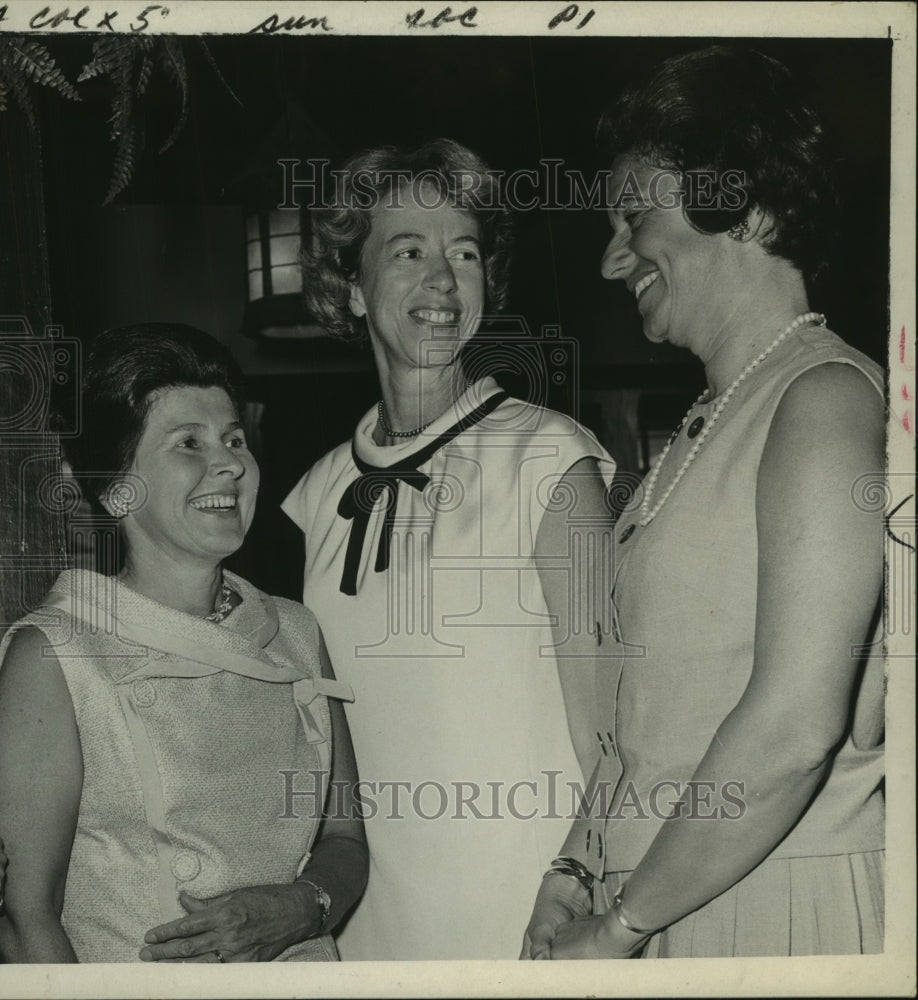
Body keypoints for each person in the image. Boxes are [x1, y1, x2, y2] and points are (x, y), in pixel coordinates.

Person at [525, 45, 886, 959]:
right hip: (669, 895)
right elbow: (651, 718)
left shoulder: (824, 399)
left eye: (634, 216)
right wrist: (574, 871)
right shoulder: (711, 421)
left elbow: (797, 726)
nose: (613, 260)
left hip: (772, 905)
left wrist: (621, 924)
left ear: (749, 205)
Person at [283, 138, 617, 959]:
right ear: (352, 290)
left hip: (527, 918)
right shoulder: (319, 492)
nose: (442, 278)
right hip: (369, 932)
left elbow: (621, 733)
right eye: (408, 250)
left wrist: (575, 883)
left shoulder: (550, 458)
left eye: (464, 252)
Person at [0, 324, 367, 963]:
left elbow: (346, 838)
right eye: (188, 443)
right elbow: (26, 918)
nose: (229, 462)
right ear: (116, 486)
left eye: (233, 439)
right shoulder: (55, 654)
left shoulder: (296, 633)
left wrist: (303, 905)